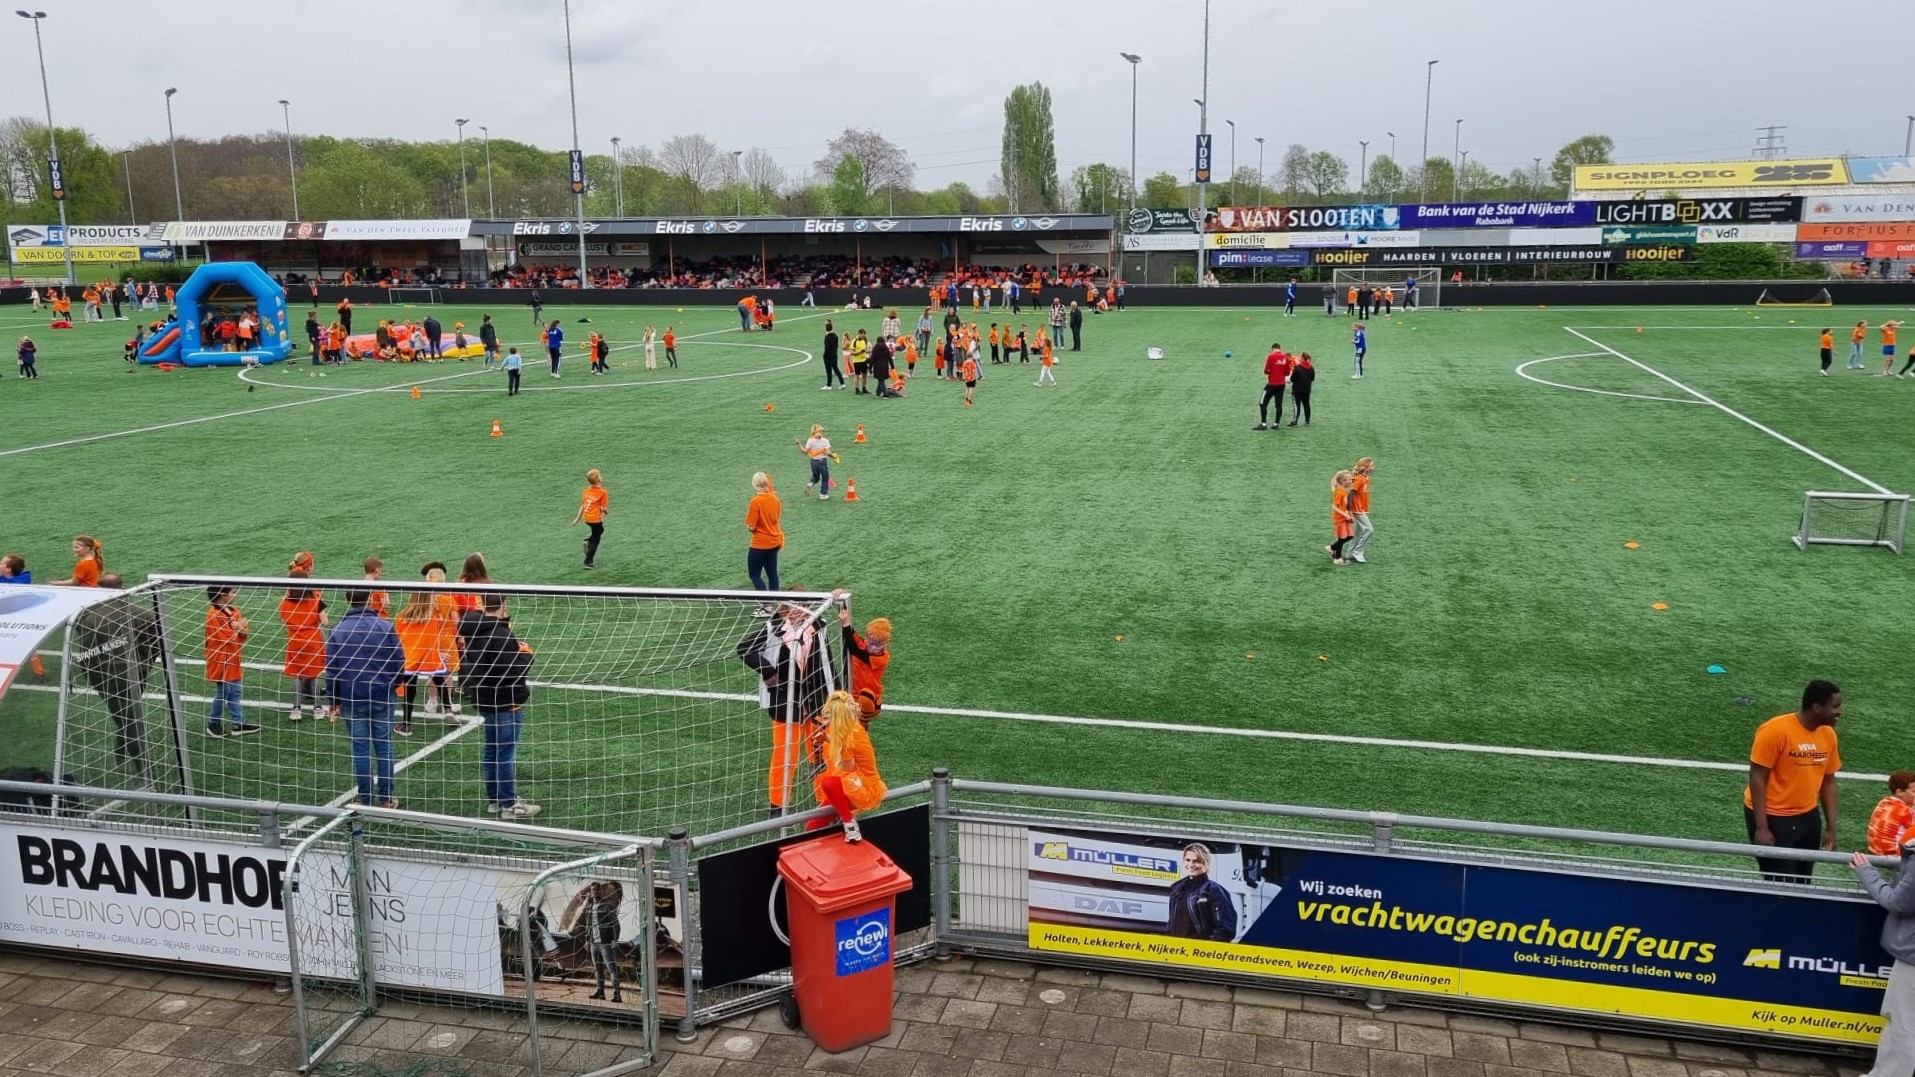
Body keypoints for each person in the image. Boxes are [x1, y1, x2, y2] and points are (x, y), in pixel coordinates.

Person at [738, 601, 835, 815]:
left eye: (804, 604)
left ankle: (826, 800)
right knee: (785, 756)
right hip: (785, 703)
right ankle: (778, 805)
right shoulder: (773, 628)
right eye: (795, 605)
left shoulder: (819, 626)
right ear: (784, 608)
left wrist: (834, 695)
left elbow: (827, 662)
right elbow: (744, 649)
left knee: (822, 754)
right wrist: (768, 671)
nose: (800, 609)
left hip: (817, 702)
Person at [1743, 679, 1843, 883]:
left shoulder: (1829, 735)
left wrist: (1831, 828)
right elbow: (1757, 777)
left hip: (1808, 816)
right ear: (1817, 707)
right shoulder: (1775, 730)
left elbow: (1828, 781)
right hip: (1773, 816)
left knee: (1804, 881)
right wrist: (1762, 827)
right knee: (1780, 884)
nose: (1840, 712)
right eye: (1835, 707)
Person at [71, 573, 161, 788]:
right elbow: (155, 645)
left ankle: (123, 751)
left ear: (98, 589)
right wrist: (142, 665)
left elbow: (86, 651)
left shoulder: (86, 616)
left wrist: (92, 674)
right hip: (134, 673)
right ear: (123, 587)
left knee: (124, 715)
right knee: (131, 718)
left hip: (102, 676)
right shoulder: (143, 615)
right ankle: (144, 770)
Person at [458, 592, 539, 819]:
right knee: (504, 753)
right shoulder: (500, 633)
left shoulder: (474, 629)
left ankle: (495, 800)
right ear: (503, 605)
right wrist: (526, 655)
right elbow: (512, 671)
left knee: (492, 750)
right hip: (505, 700)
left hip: (484, 698)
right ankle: (509, 804)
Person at [326, 588, 405, 808]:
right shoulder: (385, 626)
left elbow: (332, 669)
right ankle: (387, 798)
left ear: (347, 600)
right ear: (370, 599)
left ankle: (366, 798)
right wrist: (391, 685)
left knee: (360, 749)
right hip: (382, 696)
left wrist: (333, 700)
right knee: (384, 746)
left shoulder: (338, 630)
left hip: (352, 698)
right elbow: (400, 661)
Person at [810, 690, 886, 841]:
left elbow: (849, 768)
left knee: (829, 784)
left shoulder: (846, 738)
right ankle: (846, 822)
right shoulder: (854, 728)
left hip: (863, 787)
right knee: (812, 827)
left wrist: (838, 752)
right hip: (867, 783)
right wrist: (827, 738)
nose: (828, 718)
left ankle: (849, 824)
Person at [394, 587, 456, 737]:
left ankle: (406, 724)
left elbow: (397, 640)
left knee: (410, 688)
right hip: (429, 657)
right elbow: (436, 635)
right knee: (439, 680)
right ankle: (447, 708)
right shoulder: (433, 621)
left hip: (410, 657)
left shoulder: (401, 618)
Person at [204, 586, 260, 736]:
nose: (235, 595)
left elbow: (244, 633)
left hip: (234, 658)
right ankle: (213, 723)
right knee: (224, 692)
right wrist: (238, 627)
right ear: (223, 595)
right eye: (232, 592)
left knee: (235, 691)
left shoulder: (233, 611)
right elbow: (228, 638)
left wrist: (239, 628)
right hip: (220, 660)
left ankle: (238, 723)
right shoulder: (214, 615)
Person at [279, 568, 330, 722]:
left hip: (295, 641)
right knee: (313, 674)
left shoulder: (285, 603)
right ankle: (317, 708)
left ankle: (296, 709)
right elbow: (325, 622)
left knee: (297, 673)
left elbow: (284, 620)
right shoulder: (315, 598)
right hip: (313, 640)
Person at [834, 590, 891, 721]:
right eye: (870, 642)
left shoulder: (882, 659)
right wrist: (843, 599)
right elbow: (852, 637)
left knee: (858, 723)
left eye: (877, 646)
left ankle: (862, 724)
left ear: (886, 643)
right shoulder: (864, 644)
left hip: (870, 701)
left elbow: (854, 649)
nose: (871, 648)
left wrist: (846, 624)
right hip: (852, 696)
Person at [562, 882, 623, 1002]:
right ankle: (600, 992)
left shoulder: (607, 906)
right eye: (593, 890)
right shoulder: (589, 907)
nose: (595, 892)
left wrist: (615, 940)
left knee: (611, 968)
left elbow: (615, 924)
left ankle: (617, 994)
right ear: (591, 892)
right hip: (594, 943)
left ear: (600, 891)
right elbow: (588, 925)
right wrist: (587, 940)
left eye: (597, 890)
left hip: (605, 943)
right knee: (597, 968)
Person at [1165, 843, 1238, 941]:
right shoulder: (1177, 890)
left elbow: (1226, 930)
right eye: (1188, 860)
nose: (1191, 865)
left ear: (1206, 863)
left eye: (1196, 861)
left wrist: (1205, 948)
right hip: (1178, 950)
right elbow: (1171, 926)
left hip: (1199, 952)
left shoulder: (1214, 891)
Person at [745, 472, 784, 592]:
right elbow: (776, 518)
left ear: (755, 484)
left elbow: (751, 526)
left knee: (755, 575)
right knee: (772, 573)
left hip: (760, 544)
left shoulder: (755, 502)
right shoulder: (775, 499)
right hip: (775, 541)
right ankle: (774, 601)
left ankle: (766, 604)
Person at [1868, 772, 1915, 856]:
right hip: (1893, 855)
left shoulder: (1884, 802)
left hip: (1874, 849)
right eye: (1914, 791)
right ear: (1900, 792)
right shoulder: (1905, 811)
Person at [573, 469, 609, 569]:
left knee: (599, 530)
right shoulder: (603, 492)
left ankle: (588, 541)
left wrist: (577, 519)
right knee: (596, 540)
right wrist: (605, 511)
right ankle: (588, 561)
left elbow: (583, 506)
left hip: (587, 518)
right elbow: (604, 509)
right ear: (598, 479)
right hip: (595, 520)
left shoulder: (586, 491)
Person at [1255, 344, 1291, 430]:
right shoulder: (1286, 358)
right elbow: (1287, 373)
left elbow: (1266, 370)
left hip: (1271, 384)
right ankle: (1276, 424)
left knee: (1262, 403)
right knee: (1279, 404)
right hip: (1281, 385)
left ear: (1273, 349)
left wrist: (1272, 372)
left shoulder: (1271, 357)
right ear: (1280, 348)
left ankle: (1263, 424)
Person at [1348, 457, 1375, 563]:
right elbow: (1351, 494)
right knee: (1369, 529)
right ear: (1365, 468)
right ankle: (1358, 552)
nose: (1373, 468)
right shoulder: (1359, 478)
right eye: (1371, 466)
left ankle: (1350, 553)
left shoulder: (1366, 478)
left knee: (1359, 531)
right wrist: (1349, 510)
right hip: (1357, 509)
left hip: (1362, 508)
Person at [1329, 470, 1356, 566]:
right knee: (1342, 538)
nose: (1351, 480)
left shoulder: (1343, 490)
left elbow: (1343, 506)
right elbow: (1334, 507)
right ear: (1343, 481)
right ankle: (1337, 558)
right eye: (1349, 479)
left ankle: (1331, 548)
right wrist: (1346, 515)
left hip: (1344, 517)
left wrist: (1349, 514)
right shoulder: (1339, 492)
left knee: (1350, 535)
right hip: (1339, 518)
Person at [799, 425, 833, 500]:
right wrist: (833, 456)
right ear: (820, 431)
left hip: (813, 462)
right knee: (825, 478)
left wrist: (799, 444)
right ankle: (823, 494)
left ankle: (810, 483)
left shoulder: (810, 440)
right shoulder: (824, 440)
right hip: (822, 462)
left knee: (816, 477)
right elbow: (828, 452)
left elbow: (805, 452)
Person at [1288, 352, 1315, 427]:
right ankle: (1307, 421)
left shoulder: (1298, 368)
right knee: (1306, 405)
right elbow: (1312, 379)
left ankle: (1295, 421)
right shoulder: (1311, 368)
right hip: (1307, 389)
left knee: (1296, 405)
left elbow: (1292, 379)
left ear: (1302, 358)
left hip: (1297, 390)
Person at [821, 320, 843, 390]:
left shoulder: (827, 337)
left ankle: (829, 385)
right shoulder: (835, 336)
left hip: (828, 356)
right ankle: (842, 383)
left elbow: (827, 347)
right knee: (836, 369)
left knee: (829, 370)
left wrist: (825, 355)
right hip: (834, 354)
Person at [848, 329, 871, 395]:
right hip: (857, 361)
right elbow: (851, 353)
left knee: (865, 374)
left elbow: (864, 350)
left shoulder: (863, 341)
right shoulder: (854, 341)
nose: (863, 337)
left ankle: (864, 388)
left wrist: (867, 351)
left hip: (864, 360)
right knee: (857, 375)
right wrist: (860, 351)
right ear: (859, 334)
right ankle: (857, 389)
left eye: (864, 336)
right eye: (862, 336)